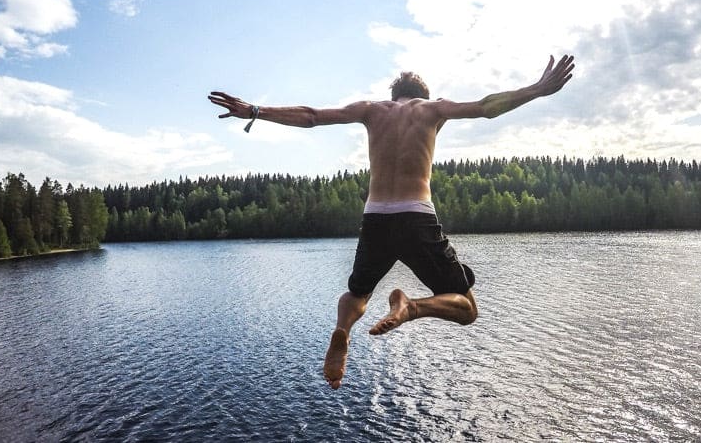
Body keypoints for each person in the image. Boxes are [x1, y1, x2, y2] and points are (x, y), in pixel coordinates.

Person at [208, 54, 575, 389]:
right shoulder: (434, 109)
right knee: (467, 307)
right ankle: (412, 307)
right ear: (422, 94)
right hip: (417, 217)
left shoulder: (371, 110)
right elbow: (486, 108)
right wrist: (538, 90)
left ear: (395, 94)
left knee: (357, 293)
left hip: (376, 219)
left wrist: (255, 110)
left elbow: (312, 117)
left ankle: (342, 330)